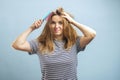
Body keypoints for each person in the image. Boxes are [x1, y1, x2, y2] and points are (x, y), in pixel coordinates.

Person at [12, 7, 96, 80]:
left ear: (65, 24)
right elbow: (17, 45)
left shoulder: (75, 42)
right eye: (53, 23)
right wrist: (31, 28)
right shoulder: (39, 43)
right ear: (49, 25)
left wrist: (72, 21)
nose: (56, 26)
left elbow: (92, 34)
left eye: (60, 23)